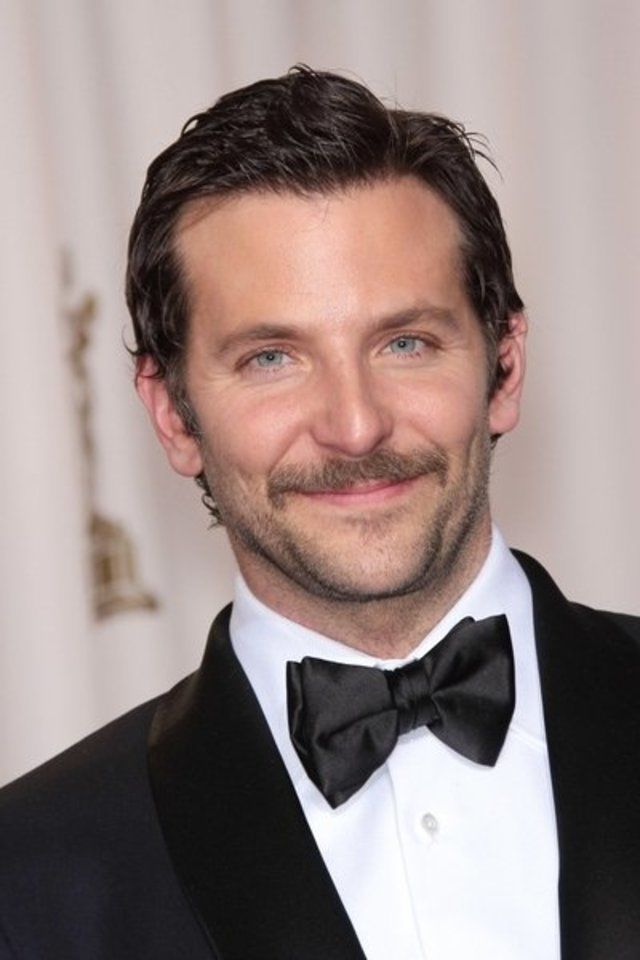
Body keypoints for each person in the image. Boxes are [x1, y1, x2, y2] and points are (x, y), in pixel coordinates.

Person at [0, 66, 638, 960]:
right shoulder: (30, 877)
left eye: (406, 342)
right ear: (173, 414)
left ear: (504, 367)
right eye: (272, 358)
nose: (355, 424)